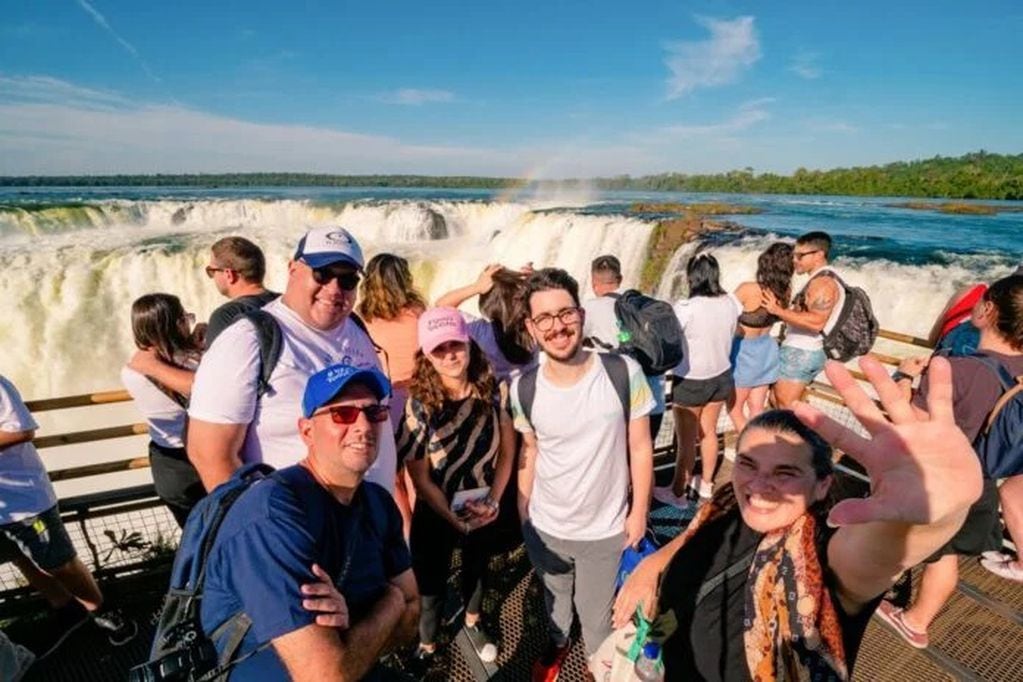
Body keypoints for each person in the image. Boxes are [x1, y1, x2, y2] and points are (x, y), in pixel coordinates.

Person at [613, 356, 984, 681]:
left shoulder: (821, 552)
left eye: (785, 472)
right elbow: (697, 536)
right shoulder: (728, 499)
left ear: (823, 484)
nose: (759, 485)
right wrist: (652, 566)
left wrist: (929, 514)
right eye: (747, 464)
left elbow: (874, 559)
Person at [198, 363, 419, 680]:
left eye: (374, 412)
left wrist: (354, 626)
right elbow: (325, 675)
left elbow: (414, 618)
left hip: (355, 666)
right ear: (306, 431)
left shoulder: (377, 503)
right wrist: (392, 602)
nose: (363, 426)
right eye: (342, 413)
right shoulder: (273, 515)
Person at [510, 268, 655, 681]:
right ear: (531, 328)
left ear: (581, 314)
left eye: (565, 313)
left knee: (597, 620)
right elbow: (531, 450)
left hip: (604, 531)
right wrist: (524, 514)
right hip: (546, 526)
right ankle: (558, 643)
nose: (558, 327)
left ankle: (597, 664)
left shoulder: (622, 372)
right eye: (545, 319)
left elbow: (640, 447)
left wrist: (639, 512)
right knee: (554, 601)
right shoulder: (523, 388)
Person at [186, 227, 398, 495]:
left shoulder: (356, 329)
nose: (334, 289)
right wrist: (259, 528)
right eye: (322, 274)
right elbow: (209, 455)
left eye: (347, 281)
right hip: (295, 527)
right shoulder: (247, 340)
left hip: (371, 524)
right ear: (293, 269)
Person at [880, 273, 1023, 646]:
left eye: (981, 301)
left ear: (988, 309)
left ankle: (911, 618)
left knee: (936, 555)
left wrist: (904, 377)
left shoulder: (959, 370)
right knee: (946, 555)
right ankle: (912, 613)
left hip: (939, 481)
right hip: (982, 482)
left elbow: (909, 422)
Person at [395, 308, 516, 667]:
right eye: (439, 349)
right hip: (436, 510)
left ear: (468, 343)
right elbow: (418, 475)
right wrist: (452, 518)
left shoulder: (495, 391)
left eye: (455, 344)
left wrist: (493, 501)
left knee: (477, 571)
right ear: (427, 356)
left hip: (481, 504)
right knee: (430, 586)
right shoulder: (419, 403)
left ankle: (473, 622)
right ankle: (428, 641)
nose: (449, 355)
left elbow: (508, 452)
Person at [0, 375, 137, 654]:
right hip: (4, 506)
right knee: (19, 558)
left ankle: (104, 612)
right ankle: (66, 610)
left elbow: (21, 429)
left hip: (26, 499)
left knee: (60, 563)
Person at [658, 253, 741, 510]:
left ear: (692, 277)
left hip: (692, 379)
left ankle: (678, 494)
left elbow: (668, 336)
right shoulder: (731, 303)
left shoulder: (685, 308)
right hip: (722, 376)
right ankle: (705, 484)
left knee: (686, 441)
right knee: (709, 432)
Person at [121, 293, 206, 526]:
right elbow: (205, 386)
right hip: (205, 457)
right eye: (184, 318)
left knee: (196, 537)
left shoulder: (132, 371)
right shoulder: (199, 361)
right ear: (175, 324)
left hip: (169, 467)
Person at [582, 254, 668, 442]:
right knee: (645, 458)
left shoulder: (589, 309)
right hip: (654, 398)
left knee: (620, 460)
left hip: (618, 402)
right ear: (619, 279)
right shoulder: (643, 304)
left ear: (593, 281)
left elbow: (572, 342)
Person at [762, 231, 842, 408]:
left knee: (787, 407)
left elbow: (816, 322)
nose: (794, 260)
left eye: (800, 256)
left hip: (803, 352)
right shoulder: (820, 279)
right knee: (777, 401)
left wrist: (777, 310)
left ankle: (799, 436)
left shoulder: (823, 283)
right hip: (802, 351)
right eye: (794, 255)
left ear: (819, 255)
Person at [727, 242, 794, 433]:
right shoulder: (785, 292)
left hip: (743, 352)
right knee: (756, 407)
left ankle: (748, 446)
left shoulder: (748, 289)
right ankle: (759, 443)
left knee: (734, 407)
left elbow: (724, 312)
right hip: (767, 350)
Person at [436, 264, 537, 384]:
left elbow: (441, 308)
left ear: (486, 303)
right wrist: (538, 281)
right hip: (536, 386)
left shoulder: (481, 333)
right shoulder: (533, 324)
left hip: (510, 394)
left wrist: (476, 287)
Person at [358, 253, 427, 424]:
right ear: (404, 280)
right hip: (421, 392)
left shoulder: (360, 317)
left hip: (382, 397)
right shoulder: (417, 311)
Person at [203, 236, 278, 348]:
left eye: (211, 271)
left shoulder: (226, 316)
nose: (212, 277)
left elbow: (217, 365)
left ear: (229, 275)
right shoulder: (287, 303)